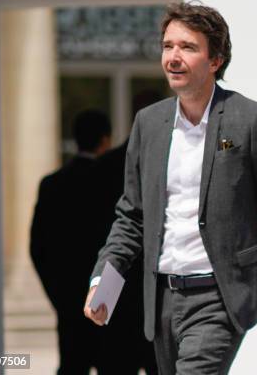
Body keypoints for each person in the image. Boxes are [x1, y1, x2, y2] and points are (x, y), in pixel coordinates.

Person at [83, 2, 257, 374]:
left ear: (215, 60)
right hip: (161, 300)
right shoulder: (148, 124)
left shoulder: (251, 120)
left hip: (221, 296)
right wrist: (103, 280)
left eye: (187, 47)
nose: (173, 57)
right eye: (168, 46)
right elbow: (131, 215)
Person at [30, 109, 111, 375]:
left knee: (72, 366)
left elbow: (37, 247)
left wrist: (57, 295)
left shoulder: (52, 184)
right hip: (106, 301)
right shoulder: (111, 183)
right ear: (105, 140)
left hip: (67, 298)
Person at [90, 91, 162, 375]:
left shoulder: (103, 165)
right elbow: (117, 229)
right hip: (127, 296)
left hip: (137, 301)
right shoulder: (107, 168)